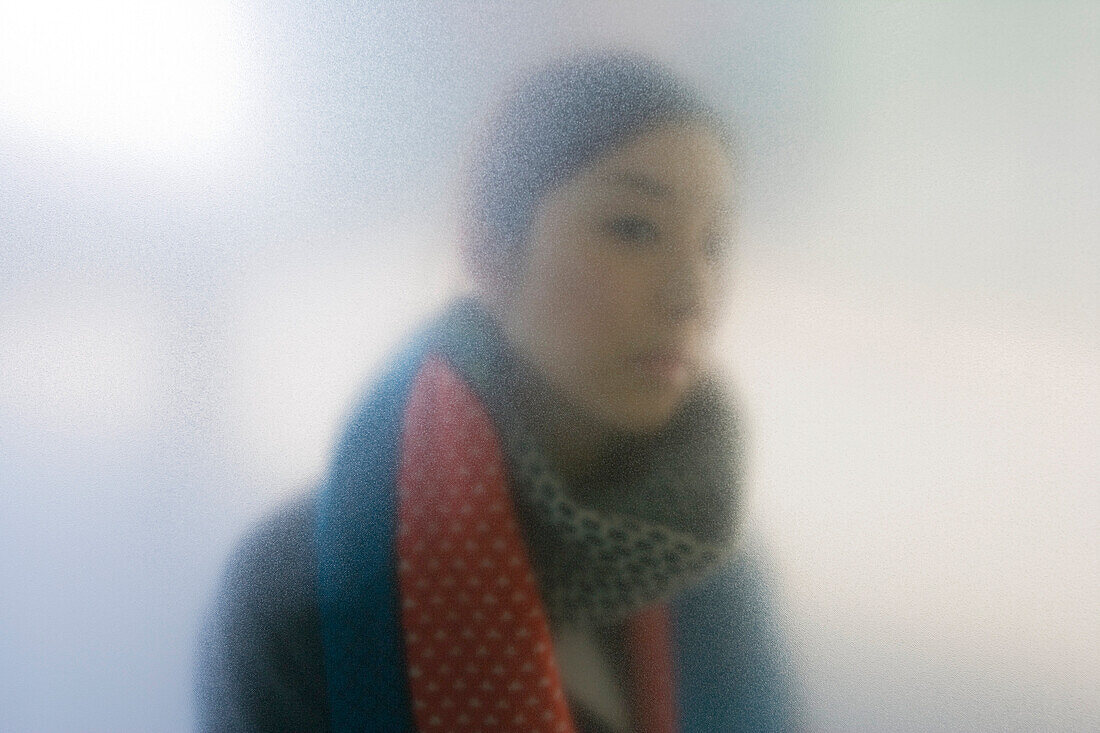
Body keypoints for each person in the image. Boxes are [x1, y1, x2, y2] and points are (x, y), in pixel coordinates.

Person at [195, 52, 798, 732]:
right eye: (633, 228)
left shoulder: (716, 577)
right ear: (489, 248)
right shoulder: (315, 586)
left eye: (713, 243)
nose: (691, 293)